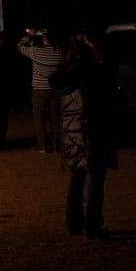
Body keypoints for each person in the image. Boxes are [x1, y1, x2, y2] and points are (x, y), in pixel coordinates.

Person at [50, 30, 118, 239]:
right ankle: (93, 225)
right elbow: (106, 76)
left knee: (77, 176)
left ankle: (74, 223)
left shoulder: (65, 72)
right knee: (96, 179)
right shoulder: (92, 71)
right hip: (92, 129)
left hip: (72, 131)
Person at [18, 27, 64, 153]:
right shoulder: (60, 52)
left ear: (45, 40)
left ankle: (43, 145)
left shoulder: (37, 52)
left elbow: (20, 47)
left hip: (39, 89)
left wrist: (27, 37)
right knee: (55, 119)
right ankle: (57, 145)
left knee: (39, 119)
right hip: (55, 89)